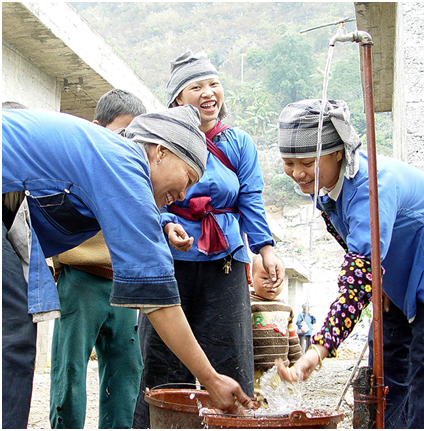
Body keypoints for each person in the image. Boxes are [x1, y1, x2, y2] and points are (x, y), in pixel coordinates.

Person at [2, 105, 254, 429]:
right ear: (161, 151)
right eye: (188, 178)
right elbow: (159, 301)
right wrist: (212, 380)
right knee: (13, 341)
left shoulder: (113, 159)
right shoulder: (125, 164)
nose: (182, 195)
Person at [275, 99, 424, 429]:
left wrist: (317, 351)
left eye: (306, 162)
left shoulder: (371, 185)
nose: (297, 173)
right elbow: (355, 250)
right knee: (386, 356)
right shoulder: (325, 189)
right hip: (392, 266)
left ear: (338, 153)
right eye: (288, 163)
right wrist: (379, 276)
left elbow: (356, 283)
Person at [132, 50, 285, 428]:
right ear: (177, 100)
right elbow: (144, 191)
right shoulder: (158, 142)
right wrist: (167, 223)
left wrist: (265, 248)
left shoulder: (239, 143)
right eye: (195, 86)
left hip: (226, 262)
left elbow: (250, 197)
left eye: (213, 83)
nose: (208, 92)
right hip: (170, 258)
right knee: (162, 363)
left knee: (230, 356)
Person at [49, 89, 146, 429]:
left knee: (126, 371)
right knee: (70, 370)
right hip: (79, 279)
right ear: (96, 127)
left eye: (136, 136)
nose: (128, 143)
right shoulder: (72, 165)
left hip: (122, 284)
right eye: (122, 132)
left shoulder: (136, 172)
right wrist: (55, 265)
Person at [250, 254, 302, 406]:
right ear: (251, 278)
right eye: (265, 278)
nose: (271, 284)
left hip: (280, 370)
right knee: (258, 403)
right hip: (255, 370)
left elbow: (292, 340)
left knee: (286, 402)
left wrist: (298, 363)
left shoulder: (286, 309)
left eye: (276, 279)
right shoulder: (248, 304)